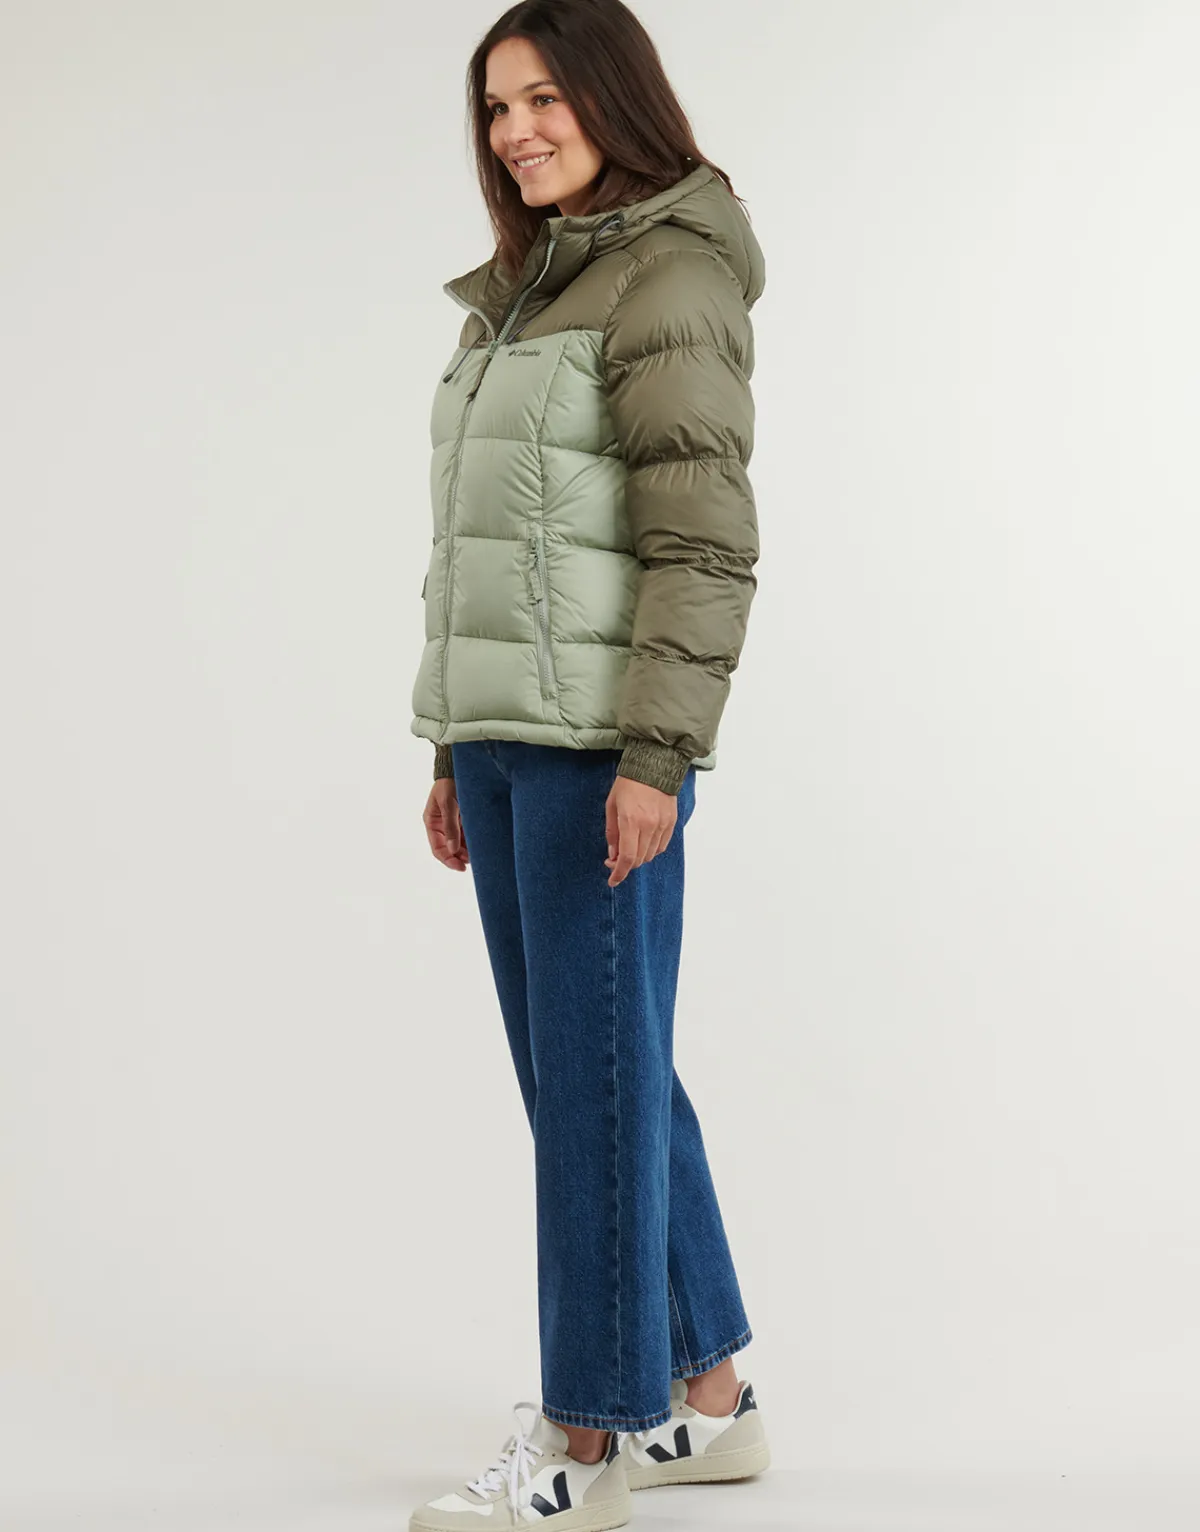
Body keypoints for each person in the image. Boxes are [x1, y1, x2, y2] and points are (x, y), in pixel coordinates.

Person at [408, 2, 768, 1527]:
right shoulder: (522, 293)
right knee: (600, 1082)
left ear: (614, 96)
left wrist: (656, 757)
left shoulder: (666, 278)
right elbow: (486, 543)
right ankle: (711, 1399)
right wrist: (453, 738)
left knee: (595, 1097)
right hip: (509, 745)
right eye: (497, 108)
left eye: (545, 98)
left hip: (597, 756)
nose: (517, 132)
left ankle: (588, 1440)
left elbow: (704, 544)